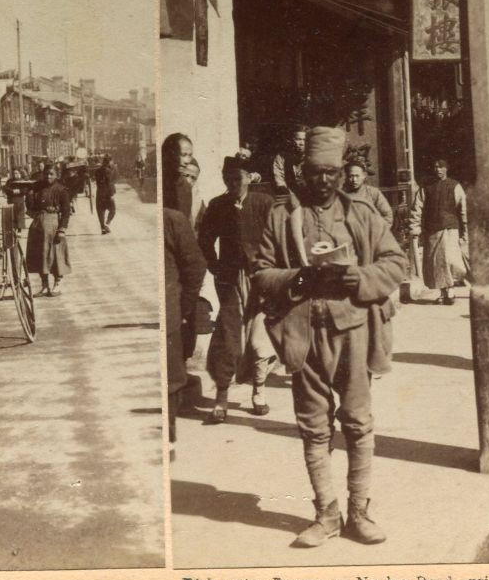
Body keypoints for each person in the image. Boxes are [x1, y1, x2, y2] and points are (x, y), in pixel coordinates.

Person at [251, 126, 405, 548]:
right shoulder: (284, 218)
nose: (323, 180)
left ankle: (360, 512)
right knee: (313, 427)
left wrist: (359, 276)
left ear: (342, 174)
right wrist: (295, 277)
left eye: (331, 172)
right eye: (315, 172)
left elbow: (397, 262)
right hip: (302, 333)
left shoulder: (362, 215)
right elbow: (261, 272)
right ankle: (326, 514)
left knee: (357, 421)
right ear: (302, 173)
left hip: (353, 331)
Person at [197, 156, 277, 424]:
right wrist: (215, 265)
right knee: (228, 336)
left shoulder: (264, 203)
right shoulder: (218, 206)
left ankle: (259, 391)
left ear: (248, 178)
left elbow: (279, 238)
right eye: (228, 179)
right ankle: (221, 398)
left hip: (260, 279)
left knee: (259, 339)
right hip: (230, 280)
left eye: (238, 178)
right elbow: (205, 239)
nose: (233, 183)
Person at [163, 205, 207, 456]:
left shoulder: (172, 220)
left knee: (169, 383)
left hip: (168, 318)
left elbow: (195, 266)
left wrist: (183, 308)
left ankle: (168, 444)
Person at [411, 158, 468, 306]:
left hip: (449, 229)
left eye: (441, 167)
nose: (438, 170)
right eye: (435, 167)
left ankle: (450, 291)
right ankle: (443, 293)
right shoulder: (426, 187)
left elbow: (463, 209)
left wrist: (465, 231)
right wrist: (415, 226)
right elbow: (417, 208)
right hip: (432, 230)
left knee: (449, 261)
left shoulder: (454, 186)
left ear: (446, 169)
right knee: (436, 264)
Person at [26, 163, 74, 297]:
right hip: (38, 225)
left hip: (54, 225)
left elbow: (66, 212)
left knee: (55, 255)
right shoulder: (37, 188)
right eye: (46, 173)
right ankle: (44, 285)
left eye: (51, 174)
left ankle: (57, 283)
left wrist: (62, 229)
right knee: (41, 255)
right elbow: (30, 207)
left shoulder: (61, 190)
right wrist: (29, 196)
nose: (48, 176)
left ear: (57, 175)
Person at [341, 161, 394, 228]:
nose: (354, 180)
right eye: (351, 176)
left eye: (357, 176)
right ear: (347, 177)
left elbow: (388, 216)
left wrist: (377, 232)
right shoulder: (340, 194)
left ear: (364, 176)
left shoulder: (373, 193)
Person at [161, 133, 195, 223]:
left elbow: (184, 222)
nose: (187, 161)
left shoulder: (185, 187)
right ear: (170, 153)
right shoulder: (161, 182)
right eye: (183, 155)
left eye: (190, 155)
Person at [271, 126, 308, 200]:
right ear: (291, 140)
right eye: (298, 139)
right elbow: (279, 181)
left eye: (304, 140)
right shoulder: (281, 157)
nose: (301, 143)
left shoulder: (312, 157)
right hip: (288, 197)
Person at [94, 155, 118, 234]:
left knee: (101, 211)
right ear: (109, 162)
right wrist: (112, 194)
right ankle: (107, 224)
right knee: (113, 210)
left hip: (99, 193)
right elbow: (109, 183)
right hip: (107, 193)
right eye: (111, 161)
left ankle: (103, 228)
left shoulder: (97, 171)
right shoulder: (108, 171)